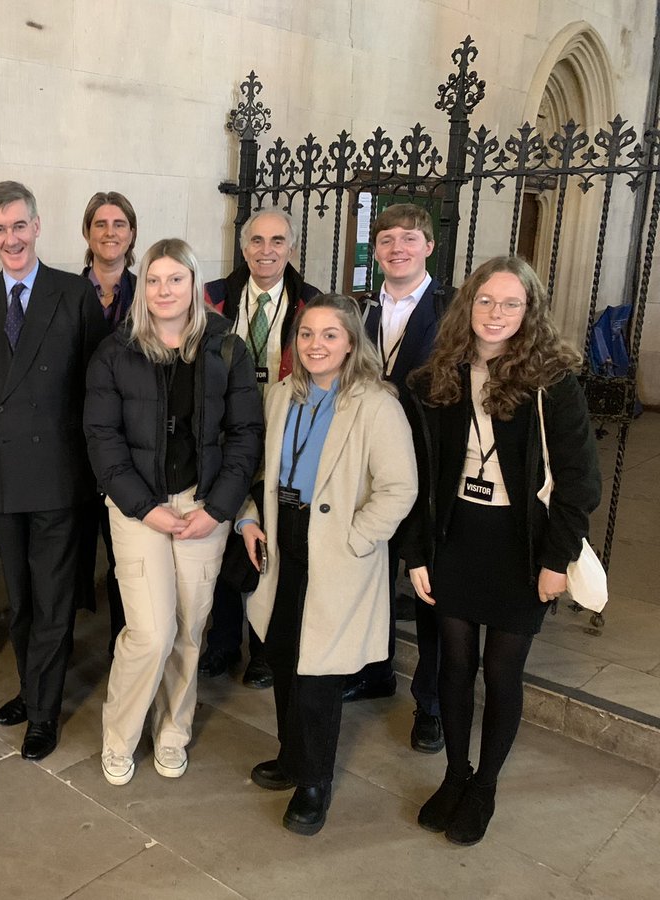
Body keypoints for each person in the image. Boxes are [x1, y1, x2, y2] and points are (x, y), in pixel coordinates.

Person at [402, 256, 600, 845]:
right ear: (469, 304)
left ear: (530, 311)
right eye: (486, 300)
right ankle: (456, 774)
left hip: (522, 548)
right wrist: (415, 553)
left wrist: (556, 562)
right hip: (456, 538)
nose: (496, 313)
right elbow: (417, 476)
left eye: (511, 303)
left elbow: (578, 482)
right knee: (454, 665)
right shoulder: (440, 374)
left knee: (502, 670)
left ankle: (485, 785)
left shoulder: (553, 383)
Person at [85, 238, 262, 786]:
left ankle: (173, 731)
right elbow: (102, 438)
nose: (165, 290)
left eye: (176, 279)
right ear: (145, 288)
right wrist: (146, 508)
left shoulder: (227, 348)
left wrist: (222, 507)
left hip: (203, 507)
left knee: (190, 628)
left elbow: (245, 435)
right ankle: (120, 736)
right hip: (138, 509)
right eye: (155, 280)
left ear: (194, 284)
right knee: (150, 632)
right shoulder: (116, 352)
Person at [239, 294, 417, 836]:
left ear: (351, 343)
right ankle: (291, 756)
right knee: (285, 653)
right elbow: (259, 470)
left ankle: (315, 780)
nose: (317, 345)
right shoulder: (279, 397)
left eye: (330, 335)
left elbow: (399, 488)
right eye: (308, 334)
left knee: (319, 672)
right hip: (283, 537)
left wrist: (357, 541)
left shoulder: (376, 403)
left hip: (337, 547)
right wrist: (250, 518)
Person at [0, 181, 110, 762]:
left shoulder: (74, 294)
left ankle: (43, 713)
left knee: (51, 599)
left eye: (19, 226)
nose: (10, 238)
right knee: (19, 599)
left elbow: (92, 384)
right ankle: (32, 686)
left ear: (38, 226)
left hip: (56, 473)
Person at [346, 203, 452, 760]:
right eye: (386, 240)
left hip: (431, 471)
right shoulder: (362, 309)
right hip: (373, 470)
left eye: (408, 239)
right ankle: (375, 670)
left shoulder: (452, 310)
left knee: (428, 588)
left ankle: (430, 705)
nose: (396, 249)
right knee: (373, 576)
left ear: (428, 246)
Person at [201, 208, 322, 688]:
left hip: (286, 435)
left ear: (292, 247)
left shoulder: (311, 303)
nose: (266, 251)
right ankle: (223, 644)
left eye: (277, 241)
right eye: (257, 241)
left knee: (278, 540)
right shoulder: (212, 298)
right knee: (227, 535)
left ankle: (269, 651)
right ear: (243, 247)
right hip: (226, 433)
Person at [76, 191, 139, 654]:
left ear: (132, 233)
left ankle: (130, 645)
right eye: (101, 224)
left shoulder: (150, 292)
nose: (110, 232)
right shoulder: (63, 294)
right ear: (87, 233)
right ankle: (63, 647)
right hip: (74, 444)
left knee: (129, 559)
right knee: (71, 553)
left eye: (119, 224)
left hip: (132, 446)